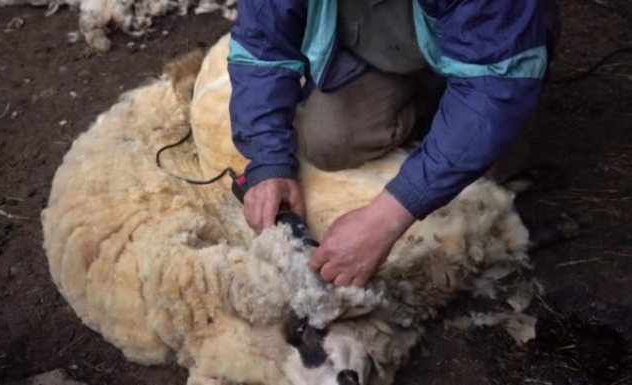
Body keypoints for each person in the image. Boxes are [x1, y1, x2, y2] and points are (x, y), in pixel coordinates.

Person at [228, 0, 559, 288]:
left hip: (490, 54)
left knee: (485, 179)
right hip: (380, 50)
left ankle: (460, 114)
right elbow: (262, 50)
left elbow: (493, 87)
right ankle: (435, 116)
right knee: (328, 140)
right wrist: (269, 160)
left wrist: (386, 218)